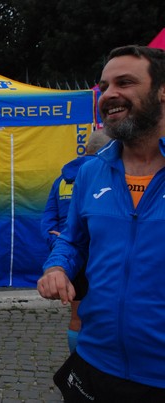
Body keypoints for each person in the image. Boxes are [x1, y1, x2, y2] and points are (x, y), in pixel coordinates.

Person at [37, 45, 165, 401]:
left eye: (124, 82)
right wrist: (57, 267)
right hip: (95, 363)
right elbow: (73, 240)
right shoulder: (92, 172)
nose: (109, 95)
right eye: (104, 86)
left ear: (162, 90)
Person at [40, 129, 111, 353]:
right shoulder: (108, 174)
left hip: (71, 260)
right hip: (102, 257)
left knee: (76, 316)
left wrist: (59, 246)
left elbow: (48, 220)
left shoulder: (62, 179)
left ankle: (76, 365)